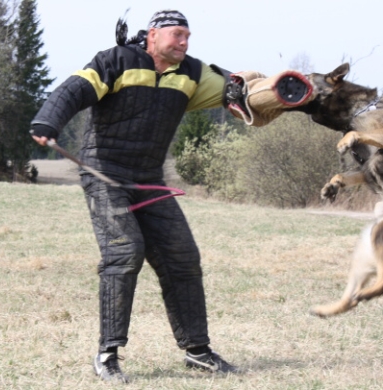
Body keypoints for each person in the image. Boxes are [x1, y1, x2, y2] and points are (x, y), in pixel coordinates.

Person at [30, 9, 313, 384]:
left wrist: (290, 93)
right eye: (176, 34)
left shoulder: (192, 74)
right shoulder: (116, 62)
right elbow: (73, 89)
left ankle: (197, 352)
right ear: (152, 35)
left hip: (149, 178)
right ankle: (107, 354)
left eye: (187, 36)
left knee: (182, 256)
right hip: (105, 175)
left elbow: (240, 89)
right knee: (124, 251)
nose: (184, 42)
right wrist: (47, 121)